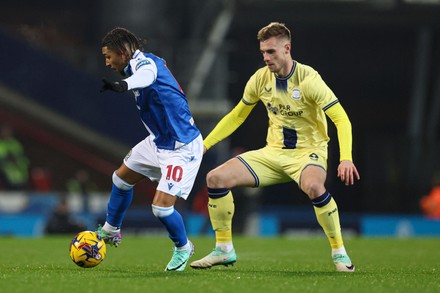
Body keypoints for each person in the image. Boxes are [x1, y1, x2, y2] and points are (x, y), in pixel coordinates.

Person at [190, 22, 360, 272]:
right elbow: (237, 115)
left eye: (271, 52)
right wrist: (204, 145)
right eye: (263, 52)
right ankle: (223, 250)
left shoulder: (309, 80)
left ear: (287, 49)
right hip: (272, 153)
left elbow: (341, 118)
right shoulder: (260, 78)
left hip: (308, 153)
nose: (266, 58)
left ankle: (340, 253)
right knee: (215, 178)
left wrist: (346, 158)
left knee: (314, 186)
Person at [96, 27, 203, 272]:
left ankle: (183, 247)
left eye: (109, 56)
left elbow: (148, 76)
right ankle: (111, 229)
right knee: (121, 178)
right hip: (158, 141)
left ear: (122, 53)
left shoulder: (145, 63)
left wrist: (123, 85)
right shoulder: (135, 64)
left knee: (161, 208)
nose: (107, 62)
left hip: (182, 146)